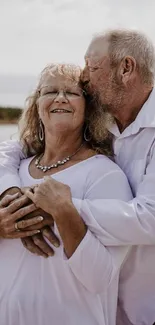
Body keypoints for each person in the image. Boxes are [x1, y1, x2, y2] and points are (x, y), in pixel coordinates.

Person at [1, 29, 155, 325]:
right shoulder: (17, 166)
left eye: (91, 68)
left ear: (126, 69)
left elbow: (149, 219)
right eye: (49, 91)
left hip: (138, 311)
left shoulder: (104, 172)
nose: (84, 77)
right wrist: (8, 200)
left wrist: (63, 209)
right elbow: (8, 150)